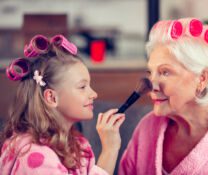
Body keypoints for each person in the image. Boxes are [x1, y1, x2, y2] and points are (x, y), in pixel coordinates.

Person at [119, 18, 208, 175]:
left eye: (165, 72)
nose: (152, 85)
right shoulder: (147, 128)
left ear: (202, 78)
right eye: (151, 73)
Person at [0, 34, 125, 175]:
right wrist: (109, 150)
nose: (94, 94)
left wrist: (112, 147)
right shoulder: (35, 156)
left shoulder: (78, 146)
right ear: (52, 97)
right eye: (82, 87)